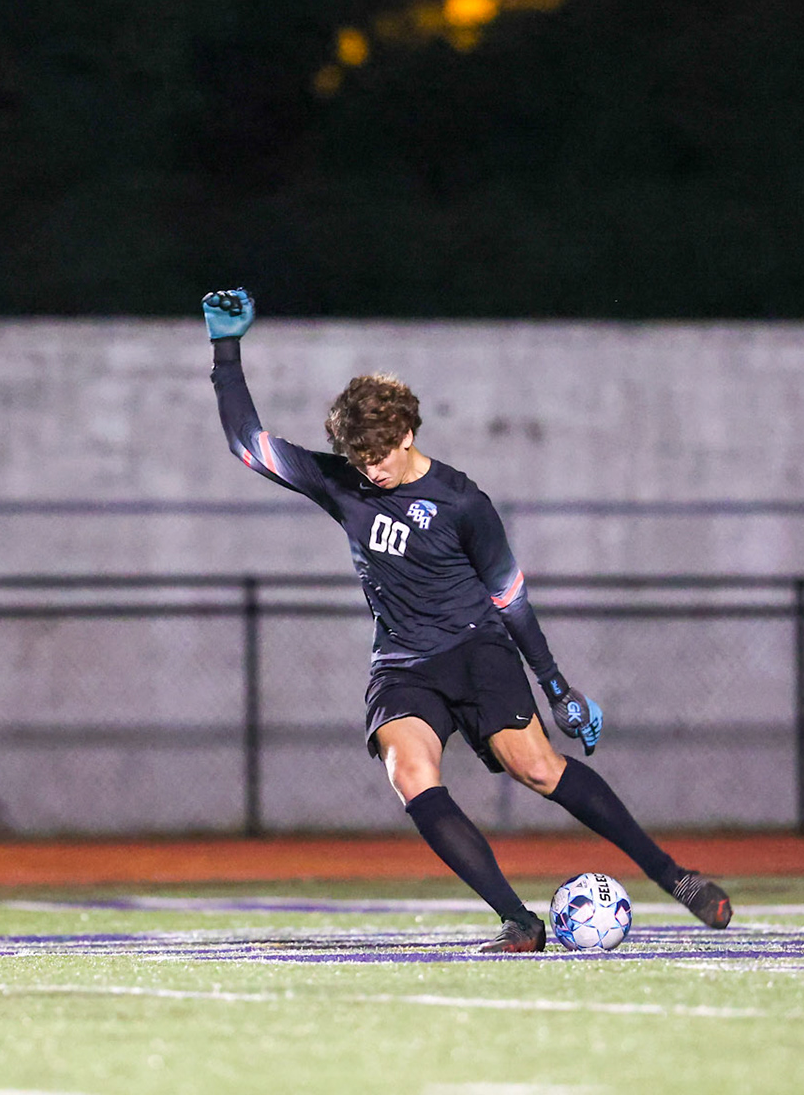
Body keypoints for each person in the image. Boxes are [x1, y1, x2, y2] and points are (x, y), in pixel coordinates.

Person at [202, 288, 732, 951]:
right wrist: (226, 350)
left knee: (538, 769)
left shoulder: (461, 500)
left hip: (476, 649)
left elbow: (509, 597)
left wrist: (558, 688)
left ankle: (675, 877)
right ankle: (519, 921)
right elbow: (249, 445)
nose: (374, 471)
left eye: (382, 455)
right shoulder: (343, 482)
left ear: (407, 431)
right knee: (411, 774)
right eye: (361, 459)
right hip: (402, 663)